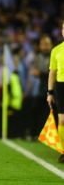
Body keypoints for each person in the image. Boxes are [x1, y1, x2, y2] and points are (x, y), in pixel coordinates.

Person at [47, 21, 64, 163]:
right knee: (62, 120)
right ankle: (63, 151)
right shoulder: (56, 50)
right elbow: (52, 72)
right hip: (61, 86)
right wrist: (50, 92)